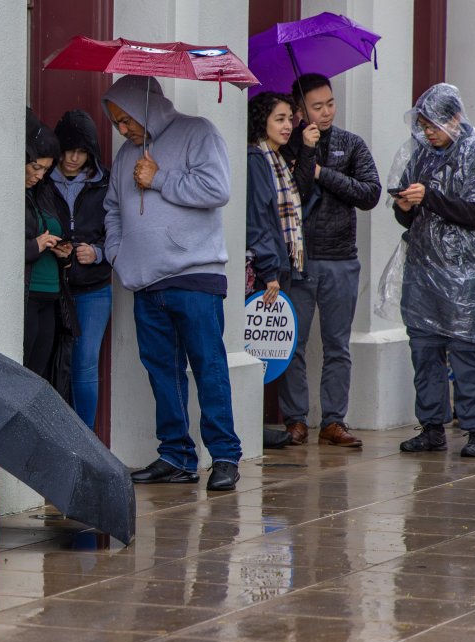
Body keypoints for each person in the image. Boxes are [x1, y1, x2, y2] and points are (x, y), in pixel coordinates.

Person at [101, 75, 241, 491]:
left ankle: (225, 456)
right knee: (163, 371)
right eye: (117, 124)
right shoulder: (127, 155)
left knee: (208, 366)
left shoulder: (198, 132)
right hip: (145, 281)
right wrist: (117, 253)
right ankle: (177, 455)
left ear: (145, 106)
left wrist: (159, 178)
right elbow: (113, 208)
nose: (123, 130)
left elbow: (218, 189)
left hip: (195, 275)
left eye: (126, 120)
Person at [277, 74, 381, 448]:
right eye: (317, 107)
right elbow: (292, 194)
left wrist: (324, 172)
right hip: (299, 259)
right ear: (300, 109)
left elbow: (370, 193)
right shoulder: (287, 145)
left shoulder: (350, 144)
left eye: (330, 104)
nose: (326, 113)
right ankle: (295, 419)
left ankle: (334, 420)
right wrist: (305, 155)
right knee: (294, 342)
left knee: (337, 344)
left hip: (341, 258)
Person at [391, 83, 475, 457]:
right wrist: (405, 205)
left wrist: (428, 197)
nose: (429, 132)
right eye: (424, 125)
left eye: (434, 124)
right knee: (424, 349)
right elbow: (406, 218)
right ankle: (431, 427)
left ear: (456, 118)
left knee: (467, 349)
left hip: (467, 273)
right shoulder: (422, 156)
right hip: (423, 268)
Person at [246, 91, 315, 450]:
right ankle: (251, 425)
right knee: (259, 345)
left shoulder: (276, 158)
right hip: (267, 268)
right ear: (263, 122)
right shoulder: (257, 159)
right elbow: (259, 218)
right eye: (280, 119)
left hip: (284, 263)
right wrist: (270, 269)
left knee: (279, 344)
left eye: (290, 118)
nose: (288, 125)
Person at [43, 109, 112, 431]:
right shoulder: (41, 181)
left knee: (84, 365)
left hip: (93, 288)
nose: (73, 158)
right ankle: (56, 435)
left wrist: (97, 252)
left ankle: (85, 438)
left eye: (81, 151)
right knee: (51, 361)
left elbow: (120, 231)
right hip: (51, 286)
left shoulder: (105, 183)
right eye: (68, 150)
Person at [23, 110, 74, 391]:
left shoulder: (42, 192)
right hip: (27, 297)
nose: (39, 175)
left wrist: (64, 254)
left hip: (51, 296)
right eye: (35, 168)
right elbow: (0, 249)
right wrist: (36, 246)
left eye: (45, 170)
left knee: (39, 376)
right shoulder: (9, 194)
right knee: (23, 369)